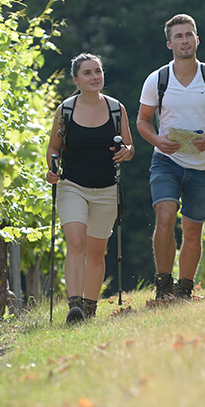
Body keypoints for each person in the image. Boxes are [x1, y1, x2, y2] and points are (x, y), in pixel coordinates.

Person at [137, 14, 205, 300]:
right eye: (178, 36)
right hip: (166, 160)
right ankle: (163, 284)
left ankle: (184, 289)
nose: (184, 40)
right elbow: (142, 120)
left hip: (203, 164)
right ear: (170, 44)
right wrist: (157, 140)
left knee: (192, 229)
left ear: (197, 39)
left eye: (188, 35)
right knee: (165, 216)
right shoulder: (157, 79)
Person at [46, 53, 134, 323]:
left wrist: (125, 153)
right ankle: (74, 305)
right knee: (75, 242)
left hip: (106, 189)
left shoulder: (117, 109)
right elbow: (53, 147)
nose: (95, 77)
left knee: (96, 253)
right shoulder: (66, 110)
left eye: (98, 71)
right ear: (76, 79)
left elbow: (130, 148)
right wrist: (52, 168)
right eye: (87, 73)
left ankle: (89, 308)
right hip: (73, 185)